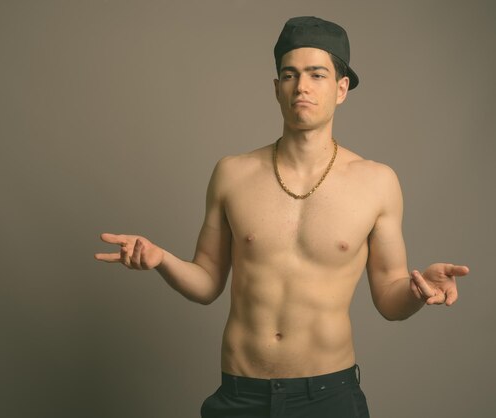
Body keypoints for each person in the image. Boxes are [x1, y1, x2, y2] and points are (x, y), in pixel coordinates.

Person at [94, 16, 469, 418]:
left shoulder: (377, 182)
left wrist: (416, 291)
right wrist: (160, 259)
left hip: (329, 396)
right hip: (240, 394)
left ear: (341, 88)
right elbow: (206, 282)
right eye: (289, 75)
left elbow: (388, 299)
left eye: (317, 74)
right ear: (277, 89)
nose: (301, 86)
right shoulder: (232, 173)